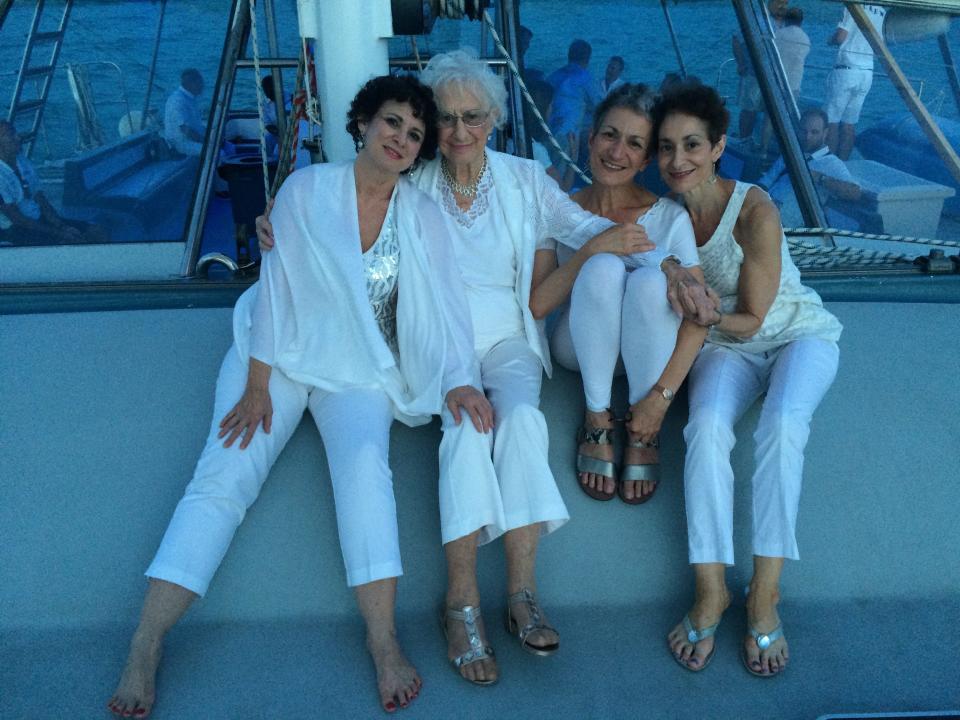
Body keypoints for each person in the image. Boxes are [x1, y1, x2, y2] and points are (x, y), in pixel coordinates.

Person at [258, 49, 668, 687]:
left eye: (473, 117)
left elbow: (591, 224)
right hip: (434, 346)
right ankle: (461, 604)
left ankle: (523, 593)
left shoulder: (525, 178)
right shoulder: (410, 179)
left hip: (508, 340)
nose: (458, 132)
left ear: (495, 119)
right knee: (467, 432)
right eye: (444, 118)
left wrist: (671, 267)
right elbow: (338, 202)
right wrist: (273, 221)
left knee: (524, 421)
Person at [107, 74, 492, 718]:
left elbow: (448, 306)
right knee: (225, 471)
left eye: (416, 133)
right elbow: (277, 292)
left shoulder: (421, 215)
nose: (402, 137)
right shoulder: (306, 189)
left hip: (359, 366)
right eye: (393, 121)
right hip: (277, 355)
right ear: (364, 122)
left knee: (367, 472)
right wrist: (258, 385)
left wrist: (460, 378)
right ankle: (145, 645)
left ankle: (383, 641)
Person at [653, 81, 842, 677]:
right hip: (724, 346)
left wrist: (699, 314)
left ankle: (765, 591)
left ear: (718, 147)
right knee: (705, 427)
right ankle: (711, 587)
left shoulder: (755, 210)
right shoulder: (667, 215)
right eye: (665, 148)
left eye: (691, 145)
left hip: (792, 334)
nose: (677, 160)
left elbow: (754, 317)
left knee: (782, 427)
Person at [542, 84, 714, 504]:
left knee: (651, 282)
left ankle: (641, 428)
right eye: (609, 135)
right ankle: (596, 416)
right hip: (579, 347)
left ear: (645, 159)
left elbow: (698, 317)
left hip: (648, 355)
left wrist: (661, 399)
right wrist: (590, 250)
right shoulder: (561, 209)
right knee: (602, 267)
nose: (617, 152)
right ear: (590, 137)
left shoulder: (670, 218)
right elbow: (538, 304)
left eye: (634, 143)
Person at [0, 120, 106, 245]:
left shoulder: (22, 161)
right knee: (73, 242)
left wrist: (61, 226)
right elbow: (17, 219)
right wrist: (59, 234)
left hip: (39, 220)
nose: (18, 137)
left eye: (15, 133)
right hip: (16, 230)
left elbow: (41, 200)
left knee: (96, 231)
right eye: (11, 134)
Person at [758, 107, 861, 226]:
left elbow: (855, 193)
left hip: (784, 226)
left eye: (814, 132)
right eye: (803, 131)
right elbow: (766, 181)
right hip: (763, 211)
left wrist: (819, 178)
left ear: (825, 133)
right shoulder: (791, 153)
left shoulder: (832, 163)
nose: (807, 137)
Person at [824, 4, 887, 160]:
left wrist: (829, 40)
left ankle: (829, 164)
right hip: (866, 73)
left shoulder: (852, 6)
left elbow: (840, 37)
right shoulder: (881, 12)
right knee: (849, 123)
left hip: (847, 70)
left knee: (832, 120)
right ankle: (843, 164)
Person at [548, 39, 602, 173]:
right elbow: (602, 107)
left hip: (549, 132)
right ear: (587, 58)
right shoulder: (586, 78)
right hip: (569, 136)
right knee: (561, 177)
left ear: (569, 55)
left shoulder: (553, 76)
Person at [164, 68, 206, 156]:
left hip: (191, 139)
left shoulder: (190, 98)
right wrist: (205, 141)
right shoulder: (177, 101)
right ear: (191, 84)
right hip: (181, 144)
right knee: (218, 153)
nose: (202, 86)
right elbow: (185, 130)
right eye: (200, 83)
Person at [775, 7, 810, 98]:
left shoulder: (778, 34)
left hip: (776, 80)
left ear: (786, 19)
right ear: (801, 21)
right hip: (794, 83)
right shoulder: (805, 39)